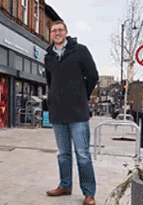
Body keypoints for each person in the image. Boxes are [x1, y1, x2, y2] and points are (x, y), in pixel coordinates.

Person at [44, 20, 99, 205]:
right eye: (53, 31)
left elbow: (93, 76)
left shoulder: (80, 51)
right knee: (63, 153)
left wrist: (81, 95)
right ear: (50, 34)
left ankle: (89, 193)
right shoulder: (48, 56)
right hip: (58, 112)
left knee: (83, 154)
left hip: (77, 112)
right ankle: (65, 185)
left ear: (66, 32)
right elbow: (50, 81)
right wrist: (52, 98)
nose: (57, 33)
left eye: (60, 30)